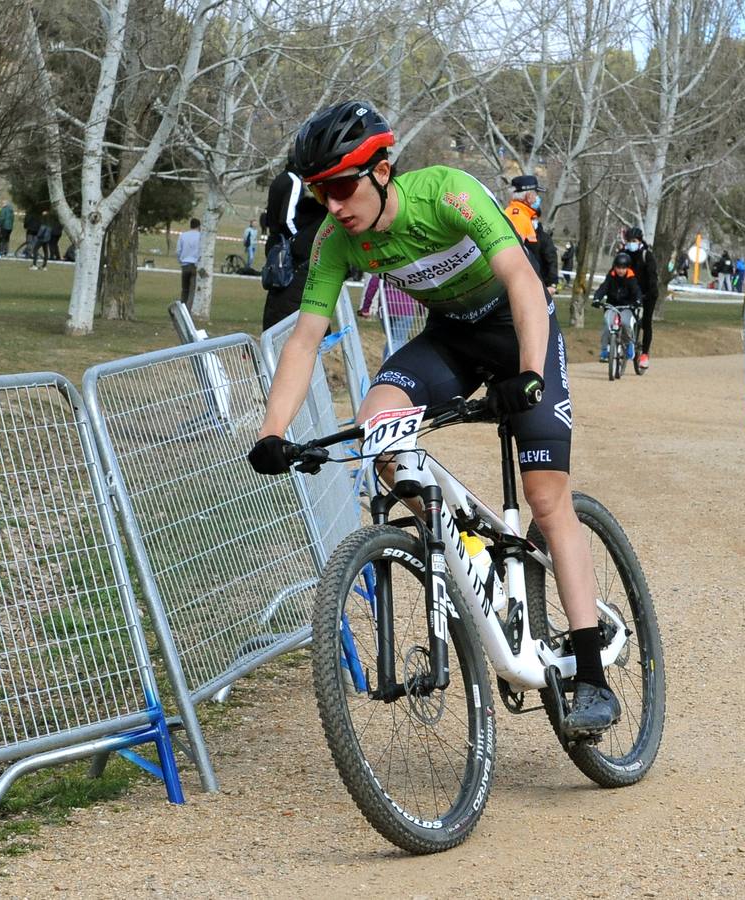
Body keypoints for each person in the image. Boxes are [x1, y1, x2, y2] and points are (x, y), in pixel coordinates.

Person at [246, 100, 621, 738]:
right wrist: (271, 433)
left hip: (519, 330)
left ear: (383, 169)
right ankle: (462, 544)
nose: (333, 205)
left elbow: (525, 284)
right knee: (377, 431)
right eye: (320, 192)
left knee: (546, 496)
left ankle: (591, 675)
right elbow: (305, 339)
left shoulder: (448, 193)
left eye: (342, 186)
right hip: (451, 339)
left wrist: (528, 375)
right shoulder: (337, 241)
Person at [261, 162, 327, 330]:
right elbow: (288, 217)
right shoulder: (294, 181)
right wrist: (295, 237)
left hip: (277, 244)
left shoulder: (279, 179)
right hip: (289, 247)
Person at [503, 174, 558, 295]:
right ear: (529, 196)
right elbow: (516, 257)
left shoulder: (523, 215)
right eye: (536, 194)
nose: (537, 198)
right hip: (521, 288)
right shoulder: (518, 218)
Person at [591, 251, 641, 362]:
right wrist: (597, 298)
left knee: (626, 323)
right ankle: (605, 350)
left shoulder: (631, 278)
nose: (620, 270)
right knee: (607, 325)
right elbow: (603, 288)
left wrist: (637, 301)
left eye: (623, 268)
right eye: (618, 267)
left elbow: (636, 291)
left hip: (627, 306)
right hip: (612, 306)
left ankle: (629, 345)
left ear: (627, 268)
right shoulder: (611, 276)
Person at [622, 227, 658, 372]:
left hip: (647, 294)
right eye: (629, 241)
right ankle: (622, 345)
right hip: (629, 293)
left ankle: (644, 354)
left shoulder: (646, 256)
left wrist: (648, 294)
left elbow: (652, 278)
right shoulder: (623, 254)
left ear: (640, 241)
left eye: (634, 241)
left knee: (646, 323)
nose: (632, 243)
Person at [359, 274, 418, 355]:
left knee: (392, 340)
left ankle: (387, 365)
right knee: (397, 341)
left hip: (386, 308)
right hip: (405, 308)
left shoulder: (382, 265)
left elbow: (373, 285)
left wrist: (366, 307)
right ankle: (390, 366)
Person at [177, 218, 202, 310]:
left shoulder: (183, 235)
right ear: (199, 226)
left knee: (184, 289)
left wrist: (181, 260)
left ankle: (182, 309)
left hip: (185, 265)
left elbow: (178, 250)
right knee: (192, 290)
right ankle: (188, 310)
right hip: (195, 265)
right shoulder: (201, 236)